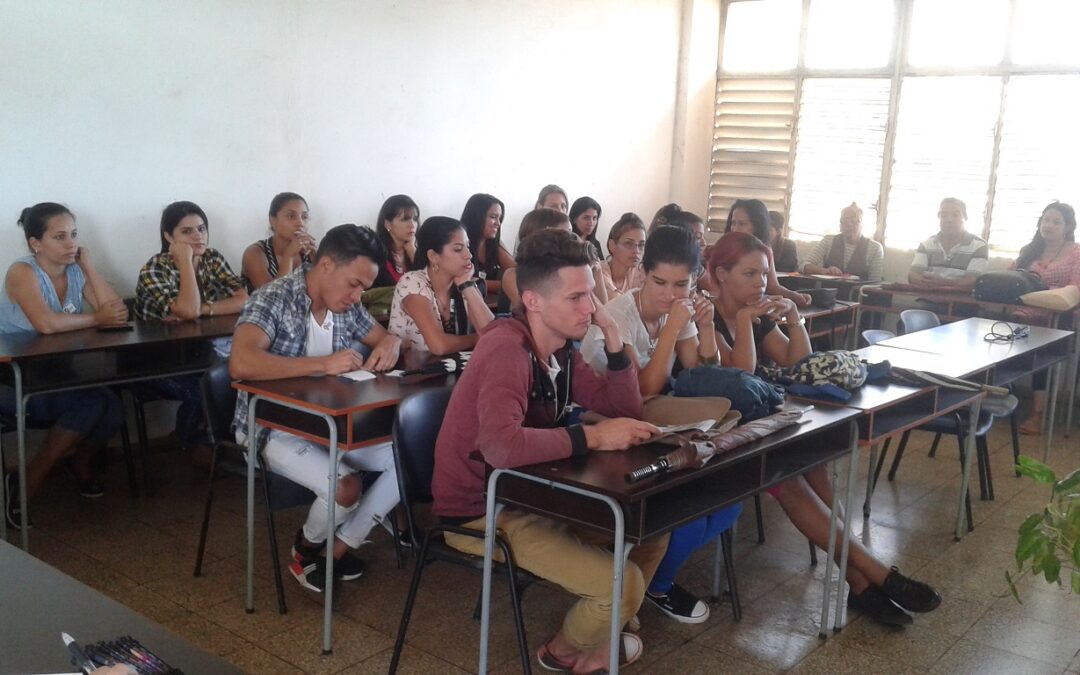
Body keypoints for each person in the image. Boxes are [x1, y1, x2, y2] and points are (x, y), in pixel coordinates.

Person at [432, 228, 665, 673]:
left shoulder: (561, 350)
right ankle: (562, 650)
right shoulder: (507, 348)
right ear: (533, 301)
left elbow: (624, 408)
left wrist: (613, 337)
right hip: (481, 511)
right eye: (576, 298)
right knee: (624, 584)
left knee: (652, 530)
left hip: (532, 493)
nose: (589, 308)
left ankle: (603, 631)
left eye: (591, 295)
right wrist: (594, 437)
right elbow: (500, 446)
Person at [709, 231, 941, 626]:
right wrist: (746, 322)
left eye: (763, 274)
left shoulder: (756, 315)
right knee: (790, 482)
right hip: (727, 433)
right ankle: (878, 576)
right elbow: (739, 374)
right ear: (720, 275)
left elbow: (799, 361)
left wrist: (793, 319)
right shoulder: (708, 317)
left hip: (766, 421)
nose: (760, 283)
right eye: (749, 274)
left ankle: (861, 582)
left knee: (816, 468)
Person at [229, 224, 403, 591]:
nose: (357, 296)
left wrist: (392, 342)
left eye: (364, 288)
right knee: (345, 488)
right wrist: (323, 364)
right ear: (325, 266)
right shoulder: (274, 298)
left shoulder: (346, 305)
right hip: (270, 428)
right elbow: (241, 363)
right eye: (353, 284)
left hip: (330, 425)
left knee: (405, 459)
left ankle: (339, 547)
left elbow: (383, 336)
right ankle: (306, 548)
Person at [581, 226, 738, 625]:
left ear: (694, 280)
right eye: (660, 282)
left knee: (729, 499)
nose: (670, 294)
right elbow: (642, 390)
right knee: (685, 510)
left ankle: (645, 577)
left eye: (681, 284)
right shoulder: (620, 314)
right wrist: (672, 327)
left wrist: (706, 326)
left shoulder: (680, 309)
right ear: (643, 275)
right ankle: (655, 583)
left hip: (656, 426)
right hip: (608, 429)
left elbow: (702, 371)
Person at [1, 203, 126, 525]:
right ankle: (25, 484)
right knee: (90, 403)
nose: (71, 243)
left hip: (55, 377)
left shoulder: (74, 270)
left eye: (73, 235)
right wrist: (96, 319)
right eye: (60, 237)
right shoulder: (22, 272)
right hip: (12, 379)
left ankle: (79, 465)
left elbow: (116, 313)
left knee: (112, 406)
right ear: (35, 243)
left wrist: (89, 267)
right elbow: (46, 324)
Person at [134, 201, 249, 459]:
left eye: (201, 228)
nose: (198, 236)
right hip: (155, 361)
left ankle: (211, 441)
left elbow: (244, 299)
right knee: (203, 389)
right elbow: (187, 310)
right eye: (187, 231)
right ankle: (189, 443)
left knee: (237, 377)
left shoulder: (212, 258)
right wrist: (185, 261)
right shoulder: (154, 268)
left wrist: (203, 309)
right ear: (168, 236)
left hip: (196, 353)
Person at [1011, 202, 1080, 434]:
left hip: (1057, 320)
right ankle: (996, 400)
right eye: (1045, 220)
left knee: (1042, 352)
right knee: (999, 343)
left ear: (1067, 227)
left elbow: (1076, 288)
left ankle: (1037, 414)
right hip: (1023, 317)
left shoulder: (1076, 252)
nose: (1048, 225)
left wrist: (1046, 295)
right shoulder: (1029, 251)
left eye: (1056, 222)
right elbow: (1011, 281)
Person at [388, 216, 493, 355]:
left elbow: (494, 334)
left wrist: (467, 285)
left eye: (467, 247)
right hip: (413, 367)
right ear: (433, 256)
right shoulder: (412, 283)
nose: (469, 255)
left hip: (452, 365)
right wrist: (478, 338)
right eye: (458, 249)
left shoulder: (463, 282)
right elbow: (439, 346)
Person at [725, 199, 811, 307]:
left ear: (757, 226)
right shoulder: (725, 248)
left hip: (754, 304)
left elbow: (773, 287)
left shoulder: (765, 250)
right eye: (733, 223)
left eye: (742, 224)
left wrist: (795, 296)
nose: (735, 228)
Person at [499, 208, 575, 311]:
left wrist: (593, 270)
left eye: (571, 233)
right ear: (543, 237)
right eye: (564, 234)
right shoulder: (513, 275)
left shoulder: (565, 270)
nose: (572, 240)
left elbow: (594, 311)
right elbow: (537, 312)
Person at [241, 192, 317, 291]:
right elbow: (271, 297)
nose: (300, 223)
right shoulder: (255, 253)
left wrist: (319, 260)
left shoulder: (309, 252)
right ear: (272, 221)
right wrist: (289, 256)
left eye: (304, 217)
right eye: (291, 216)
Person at [908, 197, 988, 290]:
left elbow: (973, 281)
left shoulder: (979, 246)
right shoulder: (927, 244)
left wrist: (941, 282)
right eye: (944, 215)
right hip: (928, 296)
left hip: (960, 298)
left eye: (955, 215)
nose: (949, 220)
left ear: (965, 217)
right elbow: (913, 275)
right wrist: (925, 281)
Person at [801, 202, 884, 281]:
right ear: (840, 225)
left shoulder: (875, 248)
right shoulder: (828, 241)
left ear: (862, 224)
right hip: (829, 289)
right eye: (844, 220)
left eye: (854, 221)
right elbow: (803, 265)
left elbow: (875, 282)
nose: (849, 224)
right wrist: (824, 271)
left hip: (859, 290)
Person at [461, 193, 514, 295]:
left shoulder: (495, 244)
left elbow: (518, 272)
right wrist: (506, 284)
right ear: (476, 217)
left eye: (500, 218)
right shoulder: (460, 244)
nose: (498, 223)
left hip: (492, 302)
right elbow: (466, 282)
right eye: (493, 217)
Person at [372, 194, 419, 288]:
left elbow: (429, 284)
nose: (412, 225)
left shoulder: (418, 250)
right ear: (388, 224)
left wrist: (412, 251)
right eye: (405, 219)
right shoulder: (375, 254)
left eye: (415, 219)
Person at [598, 212, 647, 300]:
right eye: (629, 243)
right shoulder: (598, 272)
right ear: (612, 245)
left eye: (641, 245)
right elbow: (617, 304)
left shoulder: (640, 274)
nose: (636, 251)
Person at [569, 196, 604, 261]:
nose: (591, 223)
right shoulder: (566, 243)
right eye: (586, 218)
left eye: (594, 218)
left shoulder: (595, 244)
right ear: (574, 219)